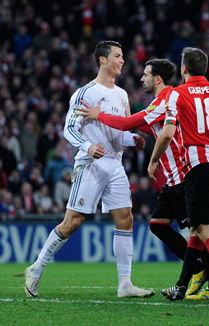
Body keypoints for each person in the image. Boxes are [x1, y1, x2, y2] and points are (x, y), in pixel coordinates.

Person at [75, 58, 209, 300]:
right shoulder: (163, 101)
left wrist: (98, 115)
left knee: (199, 232)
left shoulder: (169, 99)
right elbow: (150, 125)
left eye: (145, 75)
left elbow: (127, 123)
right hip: (173, 177)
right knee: (158, 224)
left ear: (157, 78)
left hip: (183, 175)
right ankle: (199, 270)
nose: (141, 78)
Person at [24, 40, 154, 298]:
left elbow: (120, 130)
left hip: (115, 163)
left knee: (126, 218)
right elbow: (69, 129)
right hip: (91, 163)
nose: (122, 61)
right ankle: (36, 269)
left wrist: (132, 139)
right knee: (73, 222)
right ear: (102, 60)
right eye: (117, 56)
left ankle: (125, 283)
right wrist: (87, 146)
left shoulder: (122, 95)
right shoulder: (86, 92)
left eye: (123, 56)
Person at [149, 47, 209, 305]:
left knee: (206, 230)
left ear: (183, 69)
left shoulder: (177, 94)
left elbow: (168, 132)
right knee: (196, 228)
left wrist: (154, 159)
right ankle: (181, 286)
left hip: (197, 166)